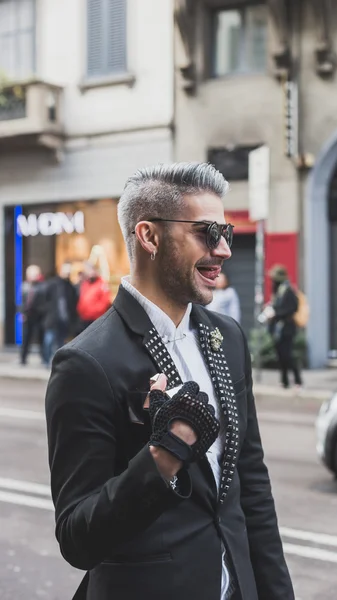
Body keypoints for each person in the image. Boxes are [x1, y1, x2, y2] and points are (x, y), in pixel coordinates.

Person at [45, 163, 295, 600]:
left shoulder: (228, 337)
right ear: (150, 237)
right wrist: (162, 456)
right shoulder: (85, 362)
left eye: (226, 233)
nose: (223, 250)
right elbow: (77, 537)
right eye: (206, 232)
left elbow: (250, 482)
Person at [265, 265, 303, 390]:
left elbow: (293, 308)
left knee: (288, 355)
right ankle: (284, 381)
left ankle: (297, 380)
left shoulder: (288, 291)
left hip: (286, 328)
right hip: (277, 328)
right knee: (280, 356)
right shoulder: (277, 292)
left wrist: (277, 314)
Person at [43, 263, 78, 366]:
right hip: (52, 318)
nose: (67, 273)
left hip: (65, 320)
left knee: (61, 343)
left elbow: (73, 304)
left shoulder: (70, 287)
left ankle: (57, 363)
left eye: (69, 271)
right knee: (48, 340)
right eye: (66, 271)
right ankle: (46, 360)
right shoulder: (52, 284)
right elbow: (45, 299)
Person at [19, 264, 47, 365]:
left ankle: (44, 358)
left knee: (41, 338)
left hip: (39, 316)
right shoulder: (24, 286)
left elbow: (44, 302)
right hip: (27, 316)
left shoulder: (43, 286)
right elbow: (22, 302)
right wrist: (22, 313)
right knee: (26, 338)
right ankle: (23, 358)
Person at [76, 262, 111, 333]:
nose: (90, 272)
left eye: (91, 270)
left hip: (96, 319)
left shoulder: (102, 284)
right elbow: (82, 299)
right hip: (84, 319)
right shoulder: (85, 284)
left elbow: (105, 302)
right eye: (88, 270)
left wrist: (94, 311)